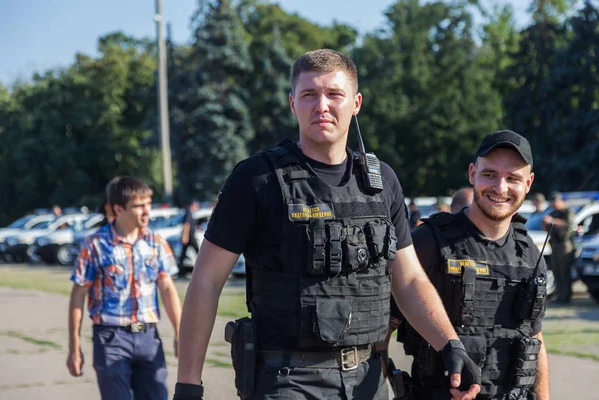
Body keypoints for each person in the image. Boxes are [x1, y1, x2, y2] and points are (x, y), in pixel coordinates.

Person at [173, 49, 481, 400]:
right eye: (309, 95)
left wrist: (449, 342)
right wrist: (187, 384)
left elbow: (408, 280)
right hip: (286, 379)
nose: (322, 105)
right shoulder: (256, 179)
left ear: (356, 103)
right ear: (292, 103)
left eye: (334, 94)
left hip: (368, 377)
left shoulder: (382, 183)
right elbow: (207, 280)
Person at [391, 130, 550, 399]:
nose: (500, 188)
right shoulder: (429, 243)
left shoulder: (530, 254)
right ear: (472, 173)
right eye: (490, 174)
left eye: (512, 178)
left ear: (528, 183)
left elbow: (536, 339)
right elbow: (382, 328)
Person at [66, 176, 182, 400]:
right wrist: (74, 347)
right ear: (118, 209)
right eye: (139, 206)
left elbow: (167, 288)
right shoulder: (95, 245)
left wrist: (180, 332)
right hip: (111, 339)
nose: (147, 211)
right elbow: (78, 295)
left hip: (149, 337)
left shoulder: (156, 242)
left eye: (148, 204)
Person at [543, 192, 574, 304]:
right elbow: (547, 227)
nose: (553, 204)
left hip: (565, 244)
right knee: (556, 271)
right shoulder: (553, 212)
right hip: (555, 244)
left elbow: (568, 225)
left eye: (555, 201)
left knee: (564, 271)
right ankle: (560, 295)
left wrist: (552, 221)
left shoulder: (567, 211)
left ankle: (566, 297)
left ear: (560, 201)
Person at [177, 200, 200, 279]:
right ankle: (181, 271)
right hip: (190, 237)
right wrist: (185, 236)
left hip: (190, 236)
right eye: (196, 205)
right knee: (199, 252)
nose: (196, 207)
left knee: (183, 255)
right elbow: (186, 225)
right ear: (192, 205)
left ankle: (181, 271)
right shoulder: (188, 212)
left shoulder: (190, 212)